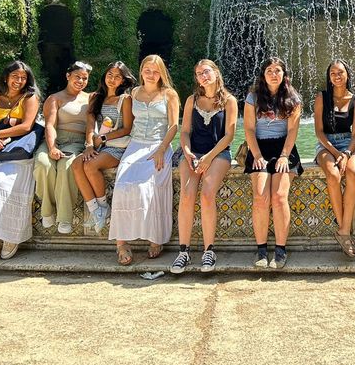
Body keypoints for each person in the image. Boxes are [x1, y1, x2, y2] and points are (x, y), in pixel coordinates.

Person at [109, 55, 179, 265]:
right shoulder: (133, 93)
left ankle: (155, 238)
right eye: (147, 70)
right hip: (135, 145)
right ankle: (122, 243)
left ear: (162, 73)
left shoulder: (170, 94)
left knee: (149, 186)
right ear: (141, 71)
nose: (151, 74)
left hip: (159, 144)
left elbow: (174, 126)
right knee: (122, 186)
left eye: (155, 71)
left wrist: (161, 150)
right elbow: (126, 123)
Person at [170, 60, 238, 273]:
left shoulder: (229, 101)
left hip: (218, 154)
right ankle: (184, 251)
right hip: (192, 153)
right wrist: (188, 152)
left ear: (216, 73)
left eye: (206, 71)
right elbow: (184, 132)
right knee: (187, 195)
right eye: (199, 73)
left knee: (207, 194)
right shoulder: (192, 100)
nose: (203, 76)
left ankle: (209, 250)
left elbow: (229, 136)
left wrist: (208, 157)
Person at [0, 60, 41, 264]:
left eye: (23, 78)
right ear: (6, 77)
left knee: (8, 186)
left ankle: (12, 238)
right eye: (15, 77)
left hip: (19, 154)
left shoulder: (30, 98)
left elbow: (26, 126)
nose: (19, 81)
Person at [243, 57, 303, 269]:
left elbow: (293, 130)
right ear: (263, 74)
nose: (274, 74)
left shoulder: (293, 98)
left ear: (284, 75)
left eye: (278, 70)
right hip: (259, 147)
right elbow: (249, 129)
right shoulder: (253, 97)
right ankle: (261, 250)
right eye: (269, 70)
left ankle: (280, 250)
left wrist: (285, 155)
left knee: (278, 197)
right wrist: (257, 155)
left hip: (283, 147)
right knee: (260, 196)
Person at [71, 61, 136, 234]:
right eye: (109, 75)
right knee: (77, 164)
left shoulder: (125, 99)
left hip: (116, 146)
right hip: (98, 145)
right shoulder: (95, 97)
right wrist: (89, 145)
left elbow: (127, 128)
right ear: (104, 76)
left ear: (123, 80)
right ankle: (96, 210)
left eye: (117, 77)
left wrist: (104, 138)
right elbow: (90, 124)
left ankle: (103, 207)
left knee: (90, 165)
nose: (112, 79)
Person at [34, 61, 91, 234]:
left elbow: (91, 126)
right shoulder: (55, 98)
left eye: (85, 78)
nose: (80, 81)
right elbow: (50, 125)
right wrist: (52, 147)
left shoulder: (90, 99)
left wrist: (88, 145)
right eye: (77, 77)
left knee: (67, 167)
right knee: (44, 164)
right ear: (68, 76)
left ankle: (65, 217)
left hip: (76, 142)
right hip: (55, 139)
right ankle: (47, 210)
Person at [314, 60, 355, 258]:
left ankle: (343, 230)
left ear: (347, 75)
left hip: (348, 145)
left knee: (352, 172)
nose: (337, 76)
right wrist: (336, 153)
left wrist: (347, 153)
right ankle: (344, 230)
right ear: (329, 77)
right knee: (333, 175)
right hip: (326, 144)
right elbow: (318, 131)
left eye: (340, 72)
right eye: (333, 73)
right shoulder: (321, 97)